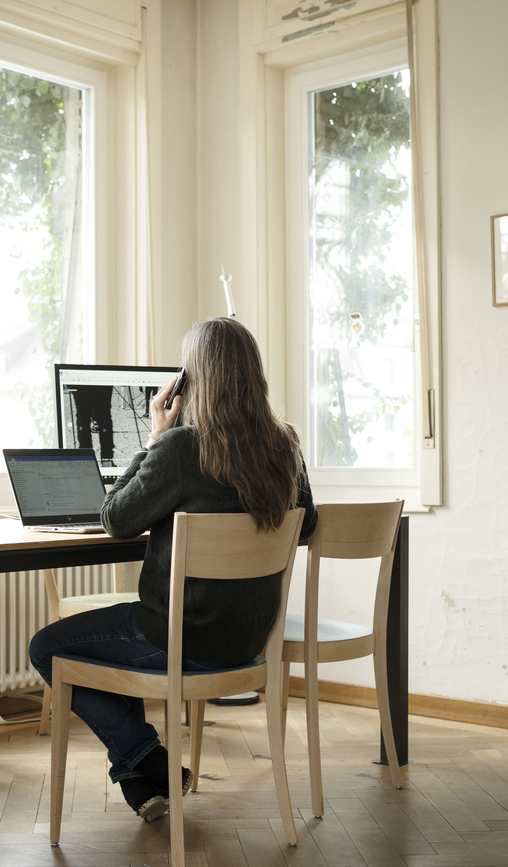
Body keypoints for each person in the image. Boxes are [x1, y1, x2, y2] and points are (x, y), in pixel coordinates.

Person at [28, 317, 318, 822]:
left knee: (45, 647)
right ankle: (145, 785)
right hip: (247, 642)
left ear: (192, 380)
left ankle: (149, 757)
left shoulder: (183, 448)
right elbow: (307, 525)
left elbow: (115, 520)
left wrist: (155, 437)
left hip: (178, 638)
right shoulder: (284, 446)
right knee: (113, 639)